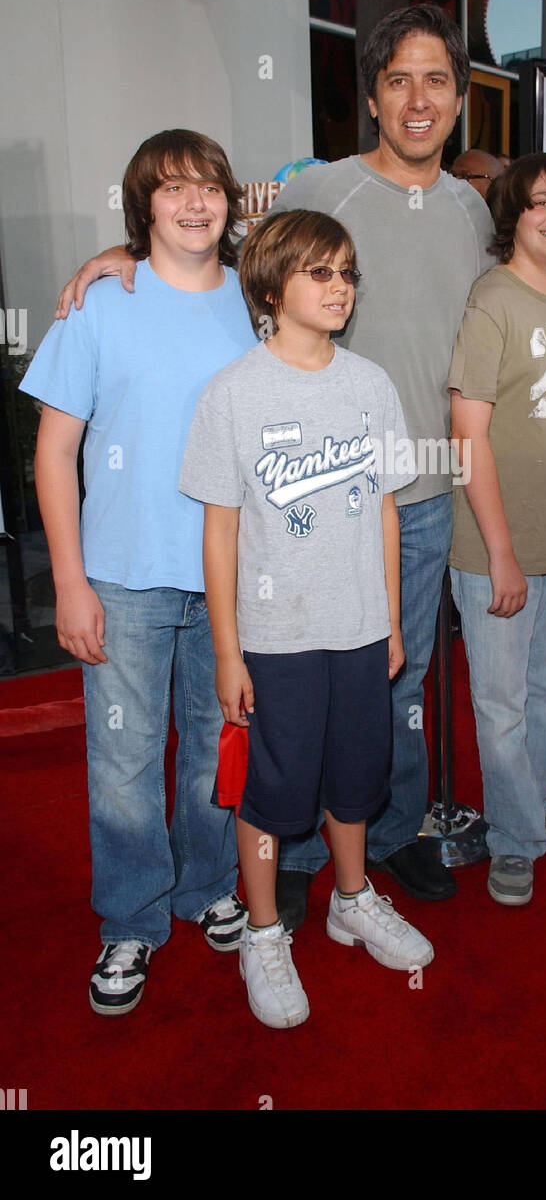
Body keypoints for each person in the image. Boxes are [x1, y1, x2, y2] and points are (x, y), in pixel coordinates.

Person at [53, 5, 546, 921]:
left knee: (392, 686)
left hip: (428, 493)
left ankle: (387, 841)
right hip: (314, 495)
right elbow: (237, 254)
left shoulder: (474, 207)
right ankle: (300, 851)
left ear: (461, 100)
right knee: (293, 686)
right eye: (398, 80)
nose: (417, 98)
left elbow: (539, 268)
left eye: (436, 80)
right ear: (373, 98)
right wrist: (126, 254)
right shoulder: (329, 190)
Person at [20, 131, 257, 1014]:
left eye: (209, 188)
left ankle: (206, 887)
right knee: (122, 762)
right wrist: (71, 583)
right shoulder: (99, 304)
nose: (194, 203)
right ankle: (130, 917)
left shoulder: (254, 301)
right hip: (122, 576)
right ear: (144, 206)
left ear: (230, 202)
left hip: (230, 577)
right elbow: (54, 453)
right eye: (172, 189)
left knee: (214, 746)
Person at [179, 208, 433, 1029]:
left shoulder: (370, 384)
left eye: (347, 272)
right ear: (269, 283)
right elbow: (218, 532)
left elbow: (388, 514)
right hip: (274, 637)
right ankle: (260, 932)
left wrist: (392, 621)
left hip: (359, 630)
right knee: (272, 790)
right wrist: (227, 654)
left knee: (358, 774)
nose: (338, 287)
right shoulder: (233, 392)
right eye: (319, 272)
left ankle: (352, 899)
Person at [448, 154, 546, 905]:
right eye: (540, 202)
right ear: (512, 214)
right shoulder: (491, 299)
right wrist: (501, 555)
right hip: (494, 552)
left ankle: (527, 808)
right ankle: (512, 839)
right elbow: (466, 435)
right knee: (500, 705)